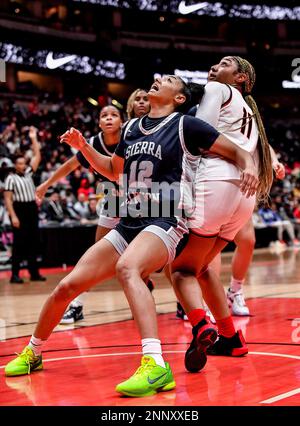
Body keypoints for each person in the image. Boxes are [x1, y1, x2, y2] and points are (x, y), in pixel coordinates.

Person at [4, 75, 258, 399]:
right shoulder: (131, 129)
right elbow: (114, 170)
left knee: (128, 268)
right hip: (129, 221)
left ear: (179, 98)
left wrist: (248, 164)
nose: (156, 80)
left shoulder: (185, 125)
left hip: (167, 219)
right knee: (68, 285)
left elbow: (236, 151)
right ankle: (33, 351)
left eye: (165, 80)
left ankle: (155, 364)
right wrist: (84, 148)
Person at [170, 57, 273, 373]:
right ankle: (231, 338)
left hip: (216, 183)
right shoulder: (249, 112)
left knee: (180, 269)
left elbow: (199, 136)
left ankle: (201, 326)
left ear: (240, 77)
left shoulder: (217, 89)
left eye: (224, 63)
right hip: (243, 197)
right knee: (201, 269)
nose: (215, 67)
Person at [36, 105, 123, 323]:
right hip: (113, 200)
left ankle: (183, 304)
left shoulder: (131, 135)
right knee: (95, 257)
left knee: (162, 258)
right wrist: (47, 184)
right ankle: (77, 305)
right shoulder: (92, 143)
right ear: (99, 123)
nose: (109, 118)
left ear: (122, 121)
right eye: (104, 115)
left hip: (141, 199)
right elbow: (70, 165)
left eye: (114, 115)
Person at [4, 126, 46, 284]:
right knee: (19, 244)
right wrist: (13, 216)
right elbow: (8, 199)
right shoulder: (10, 178)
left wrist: (34, 138)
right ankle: (15, 275)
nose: (22, 165)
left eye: (23, 163)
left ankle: (34, 272)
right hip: (19, 210)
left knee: (33, 242)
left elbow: (37, 156)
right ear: (15, 165)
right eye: (20, 163)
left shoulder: (28, 172)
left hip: (31, 208)